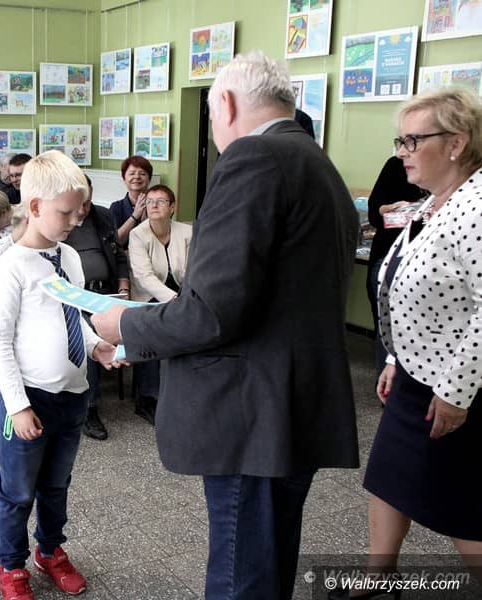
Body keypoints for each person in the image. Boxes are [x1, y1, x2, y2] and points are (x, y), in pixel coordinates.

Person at [91, 51, 359, 600]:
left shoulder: (252, 159)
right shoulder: (316, 161)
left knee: (241, 574)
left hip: (250, 413)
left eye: (212, 117)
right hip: (293, 402)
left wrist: (127, 326)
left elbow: (211, 310)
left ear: (228, 105)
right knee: (268, 563)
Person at [347, 87, 482, 598]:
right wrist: (394, 359)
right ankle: (379, 577)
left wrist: (456, 392)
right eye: (400, 141)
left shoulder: (476, 207)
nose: (402, 151)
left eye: (412, 140)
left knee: (461, 507)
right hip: (414, 373)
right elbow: (407, 290)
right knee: (387, 479)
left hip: (453, 386)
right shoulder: (433, 202)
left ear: (456, 143)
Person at [0, 151, 120, 600]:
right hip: (29, 400)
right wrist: (18, 406)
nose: (75, 220)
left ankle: (49, 550)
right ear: (35, 206)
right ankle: (12, 566)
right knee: (18, 491)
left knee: (56, 485)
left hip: (72, 395)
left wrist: (97, 346)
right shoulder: (11, 266)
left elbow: (75, 315)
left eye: (80, 211)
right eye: (66, 212)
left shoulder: (70, 256)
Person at [63, 175, 130, 440]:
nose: (84, 209)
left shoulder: (102, 215)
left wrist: (123, 286)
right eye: (80, 203)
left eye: (88, 202)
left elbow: (118, 255)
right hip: (74, 297)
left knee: (140, 322)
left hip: (106, 292)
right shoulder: (60, 220)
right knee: (88, 332)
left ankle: (149, 397)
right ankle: (89, 408)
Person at [126, 184, 192, 426]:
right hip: (148, 296)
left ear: (172, 207)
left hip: (182, 291)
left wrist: (187, 297)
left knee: (194, 329)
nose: (154, 205)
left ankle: (183, 391)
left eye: (161, 201)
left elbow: (194, 270)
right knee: (150, 333)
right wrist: (174, 300)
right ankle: (147, 398)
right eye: (150, 201)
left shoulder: (187, 232)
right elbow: (144, 277)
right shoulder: (138, 234)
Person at [365, 156, 425, 376]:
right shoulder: (396, 166)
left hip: (422, 267)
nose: (403, 150)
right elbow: (374, 212)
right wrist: (394, 209)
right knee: (387, 330)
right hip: (389, 256)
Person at [109, 155, 152, 247]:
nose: (137, 177)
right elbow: (116, 241)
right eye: (132, 173)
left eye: (142, 174)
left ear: (149, 179)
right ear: (124, 179)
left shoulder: (157, 204)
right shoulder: (116, 207)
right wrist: (135, 215)